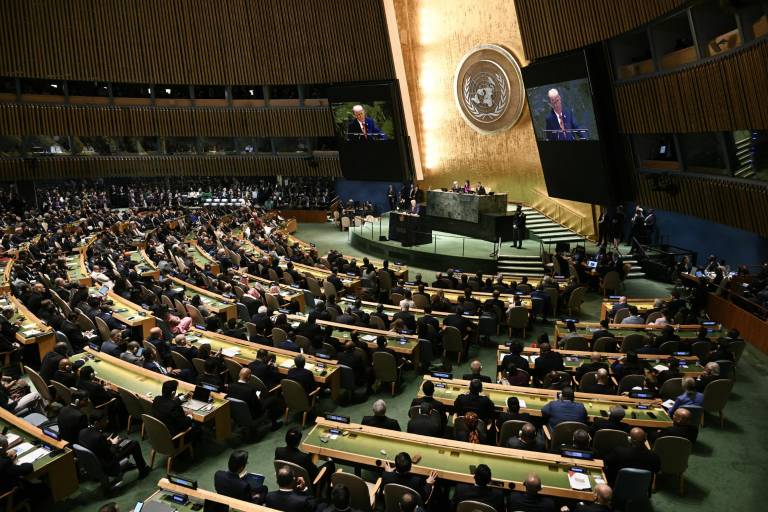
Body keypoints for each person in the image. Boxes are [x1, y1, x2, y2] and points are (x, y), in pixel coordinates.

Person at [78, 409, 150, 480]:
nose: (107, 421)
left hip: (94, 463)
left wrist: (106, 442)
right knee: (134, 444)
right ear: (96, 423)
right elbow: (110, 456)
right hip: (108, 465)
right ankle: (143, 471)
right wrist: (114, 444)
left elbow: (96, 445)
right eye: (104, 420)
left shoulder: (82, 432)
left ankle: (127, 464)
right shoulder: (99, 437)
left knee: (118, 438)